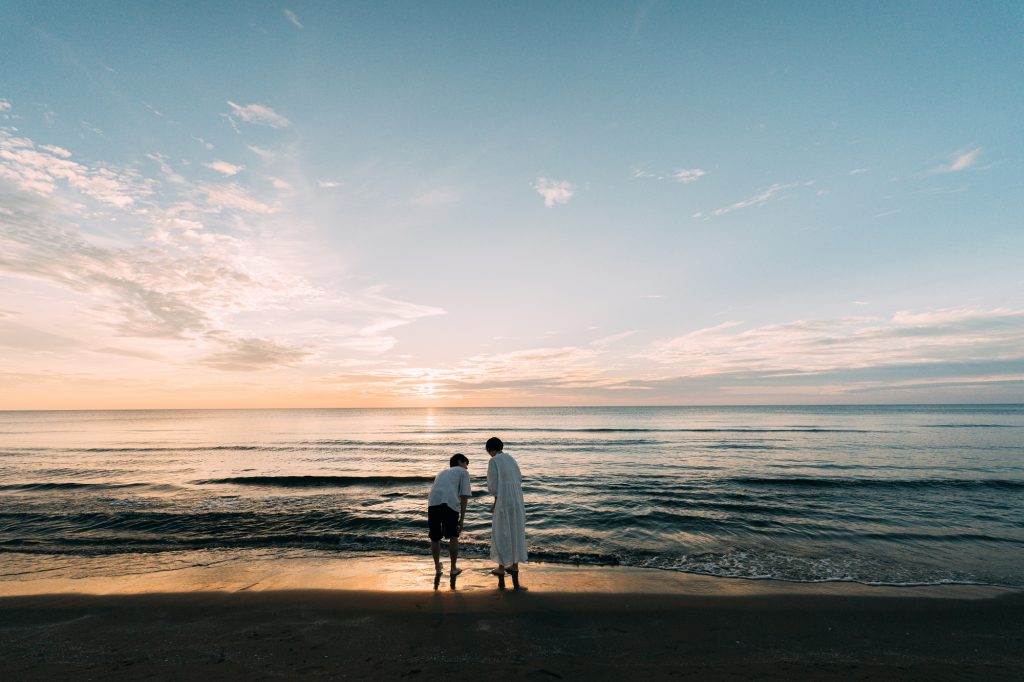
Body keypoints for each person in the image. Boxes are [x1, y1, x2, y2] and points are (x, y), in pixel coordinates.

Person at [485, 436, 528, 590]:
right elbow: (519, 479)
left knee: (501, 531)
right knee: (515, 529)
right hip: (517, 498)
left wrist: (496, 501)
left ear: (490, 450)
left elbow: (493, 485)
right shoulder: (511, 459)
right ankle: (515, 565)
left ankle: (501, 567)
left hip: (504, 499)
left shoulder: (494, 460)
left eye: (488, 451)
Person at [427, 453, 471, 576]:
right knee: (453, 536)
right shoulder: (463, 472)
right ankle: (453, 568)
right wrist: (462, 519)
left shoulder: (441, 473)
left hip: (433, 503)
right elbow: (464, 497)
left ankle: (437, 567)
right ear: (460, 462)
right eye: (466, 464)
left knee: (435, 537)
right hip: (449, 503)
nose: (467, 467)